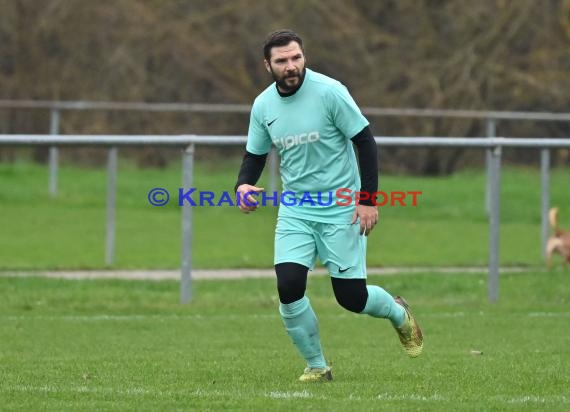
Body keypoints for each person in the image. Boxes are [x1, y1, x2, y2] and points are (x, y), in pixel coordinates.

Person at [234, 29, 423, 382]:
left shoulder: (330, 92)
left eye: (296, 57)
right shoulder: (263, 106)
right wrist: (244, 184)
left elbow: (365, 142)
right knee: (288, 285)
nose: (291, 66)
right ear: (267, 65)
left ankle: (397, 313)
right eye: (282, 61)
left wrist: (367, 200)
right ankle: (317, 366)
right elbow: (255, 154)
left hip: (341, 208)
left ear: (304, 56)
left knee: (352, 298)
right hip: (296, 210)